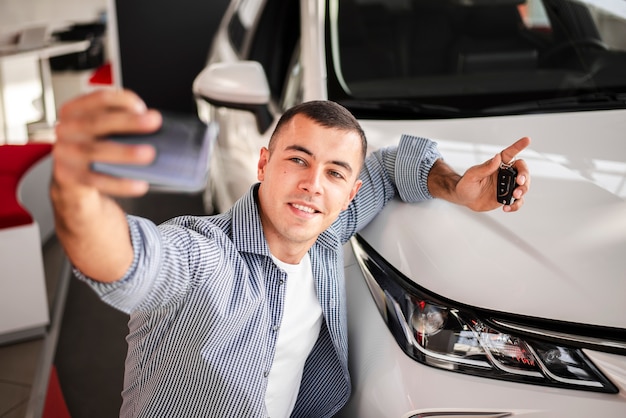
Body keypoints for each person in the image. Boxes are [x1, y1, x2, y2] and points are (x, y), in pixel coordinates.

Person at [50, 89, 530, 418]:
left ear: (350, 192)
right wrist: (76, 192)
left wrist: (457, 189)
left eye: (335, 173)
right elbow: (131, 261)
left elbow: (388, 165)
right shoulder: (204, 255)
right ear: (264, 163)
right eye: (298, 159)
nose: (312, 184)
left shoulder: (323, 235)